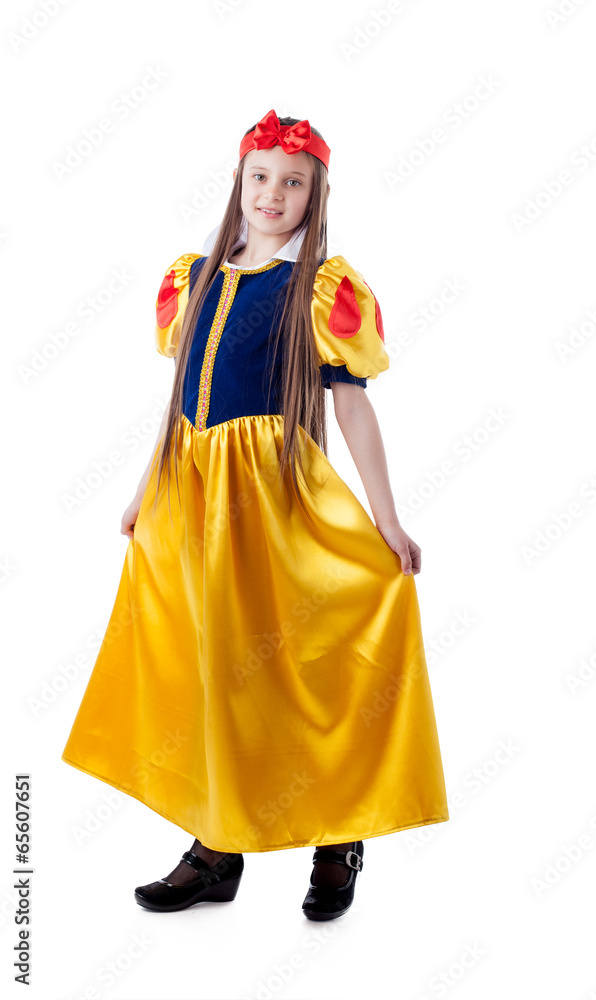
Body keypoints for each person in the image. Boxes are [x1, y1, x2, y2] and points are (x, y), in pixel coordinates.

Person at [61, 108, 450, 921]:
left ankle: (339, 836)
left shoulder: (319, 287)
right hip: (190, 495)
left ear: (316, 195)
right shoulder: (193, 276)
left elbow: (352, 407)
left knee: (298, 662)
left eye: (293, 182)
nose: (274, 193)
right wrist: (144, 488)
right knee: (210, 670)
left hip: (271, 494)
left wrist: (386, 517)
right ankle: (217, 848)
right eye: (261, 177)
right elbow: (179, 397)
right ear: (239, 183)